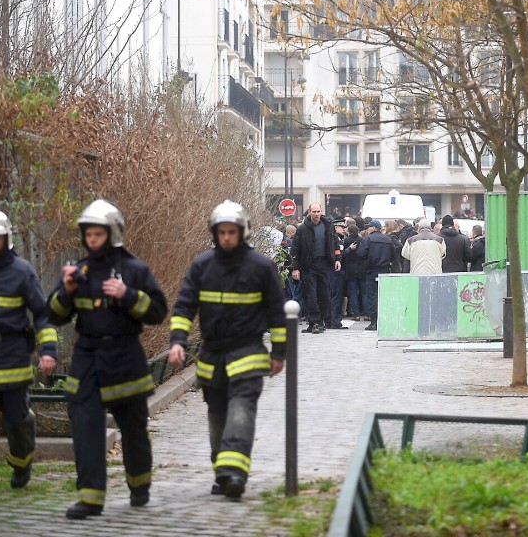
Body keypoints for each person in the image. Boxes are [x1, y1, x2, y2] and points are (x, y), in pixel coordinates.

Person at [47, 199, 167, 519]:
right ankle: (90, 498)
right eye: (88, 234)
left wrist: (127, 295)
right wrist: (67, 291)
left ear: (112, 233)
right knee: (85, 426)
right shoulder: (79, 271)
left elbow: (157, 313)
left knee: (134, 429)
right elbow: (54, 315)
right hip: (87, 357)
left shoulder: (135, 270)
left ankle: (139, 486)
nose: (92, 240)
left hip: (125, 356)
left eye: (98, 234)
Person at [168, 200, 285, 500]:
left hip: (247, 352)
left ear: (243, 232)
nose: (228, 237)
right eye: (223, 232)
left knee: (241, 412)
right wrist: (178, 341)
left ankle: (235, 473)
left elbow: (276, 313)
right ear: (215, 233)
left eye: (233, 231)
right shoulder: (202, 265)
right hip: (212, 357)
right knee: (217, 415)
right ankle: (222, 471)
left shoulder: (261, 267)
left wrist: (279, 353)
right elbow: (183, 306)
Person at [0, 209, 58, 498]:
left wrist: (48, 350)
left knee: (17, 420)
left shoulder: (22, 271)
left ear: (7, 238)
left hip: (13, 356)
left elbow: (42, 314)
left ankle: (21, 462)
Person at [290, 203, 341, 334]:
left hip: (325, 264)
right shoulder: (302, 229)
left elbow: (335, 243)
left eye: (318, 211)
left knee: (325, 295)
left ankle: (322, 321)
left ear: (321, 212)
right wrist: (295, 268)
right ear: (309, 212)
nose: (316, 214)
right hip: (309, 265)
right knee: (311, 295)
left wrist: (338, 260)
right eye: (314, 212)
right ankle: (314, 322)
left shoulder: (328, 226)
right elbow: (295, 249)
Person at [356, 220, 395, 331]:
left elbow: (360, 253)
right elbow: (393, 255)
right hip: (385, 270)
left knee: (372, 296)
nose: (367, 229)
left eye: (369, 227)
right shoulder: (388, 239)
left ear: (373, 228)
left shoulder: (368, 239)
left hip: (372, 270)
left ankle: (374, 322)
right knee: (384, 297)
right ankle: (384, 321)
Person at [341, 225, 366, 321]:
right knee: (364, 292)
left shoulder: (346, 241)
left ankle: (356, 314)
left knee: (353, 292)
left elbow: (344, 254)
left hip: (350, 268)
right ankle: (367, 314)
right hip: (361, 267)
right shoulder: (362, 240)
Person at [328, 219, 348, 329]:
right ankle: (334, 321)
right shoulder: (336, 239)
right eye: (342, 227)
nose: (344, 230)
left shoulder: (336, 238)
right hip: (336, 270)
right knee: (336, 296)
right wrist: (349, 250)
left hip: (334, 270)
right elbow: (341, 254)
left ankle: (333, 320)